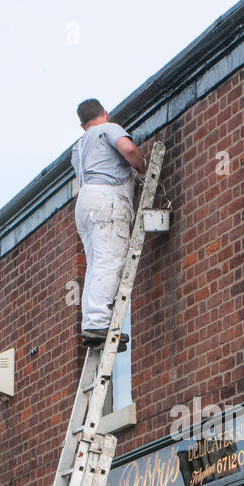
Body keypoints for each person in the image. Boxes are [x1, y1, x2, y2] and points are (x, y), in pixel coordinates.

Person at [71, 99, 146, 346]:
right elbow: (129, 150)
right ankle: (99, 323)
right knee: (110, 260)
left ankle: (93, 321)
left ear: (82, 125)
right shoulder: (108, 128)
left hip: (84, 203)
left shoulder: (79, 146)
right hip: (106, 199)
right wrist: (141, 167)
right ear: (106, 113)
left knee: (95, 263)